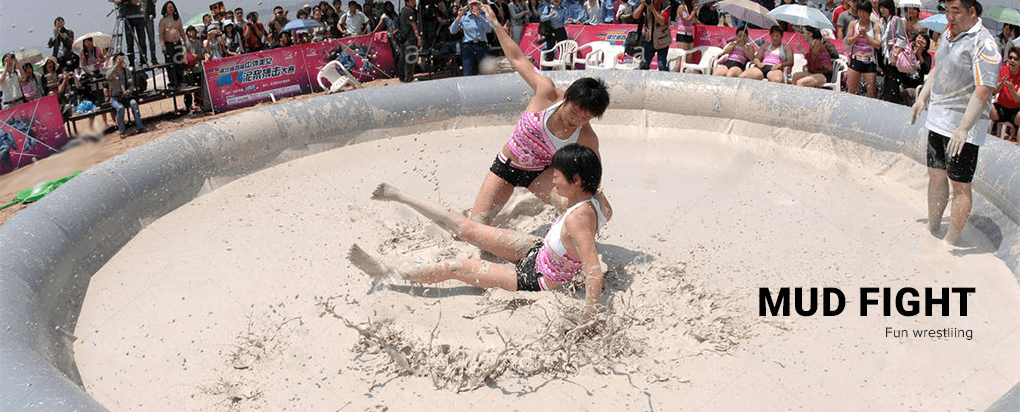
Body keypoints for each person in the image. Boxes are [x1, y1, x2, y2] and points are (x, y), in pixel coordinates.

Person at [348, 144, 610, 314]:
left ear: (576, 180)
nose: (552, 178)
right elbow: (600, 213)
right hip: (539, 250)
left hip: (538, 277)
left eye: (557, 174)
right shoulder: (598, 202)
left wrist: (590, 318)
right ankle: (399, 195)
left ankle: (385, 270)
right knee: (468, 228)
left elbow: (594, 271)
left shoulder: (578, 220)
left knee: (458, 267)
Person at [468, 3, 612, 224]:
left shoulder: (586, 136)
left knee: (577, 209)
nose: (576, 120)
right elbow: (517, 59)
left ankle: (562, 237)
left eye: (585, 118)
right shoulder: (546, 92)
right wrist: (495, 24)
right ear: (567, 98)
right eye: (575, 112)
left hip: (539, 175)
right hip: (507, 165)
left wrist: (597, 197)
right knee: (477, 224)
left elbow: (593, 172)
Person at [909, 0, 999, 246]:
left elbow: (984, 90)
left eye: (955, 11)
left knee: (960, 185)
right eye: (947, 11)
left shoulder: (985, 44)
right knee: (936, 176)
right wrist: (922, 98)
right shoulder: (949, 34)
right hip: (938, 120)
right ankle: (932, 229)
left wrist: (963, 129)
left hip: (962, 129)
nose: (950, 17)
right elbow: (937, 69)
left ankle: (950, 242)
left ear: (972, 11)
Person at [845, 0, 882, 98]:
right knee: (852, 90)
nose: (862, 14)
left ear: (869, 13)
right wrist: (858, 36)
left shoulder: (875, 27)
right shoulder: (853, 24)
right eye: (860, 12)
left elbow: (878, 44)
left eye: (864, 12)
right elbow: (848, 41)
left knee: (871, 92)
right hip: (856, 59)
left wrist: (866, 36)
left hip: (869, 61)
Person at [106, 53, 147, 137]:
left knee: (134, 104)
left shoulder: (126, 71)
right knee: (120, 108)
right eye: (118, 59)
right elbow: (108, 77)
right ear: (114, 61)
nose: (120, 61)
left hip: (126, 96)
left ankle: (140, 127)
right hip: (115, 97)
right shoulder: (111, 71)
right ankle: (122, 131)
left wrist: (129, 90)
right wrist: (116, 66)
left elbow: (131, 84)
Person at [451, 0, 494, 76]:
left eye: (476, 4)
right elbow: (452, 30)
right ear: (468, 5)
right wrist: (458, 17)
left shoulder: (484, 15)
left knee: (485, 72)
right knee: (468, 73)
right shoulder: (465, 16)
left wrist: (480, 17)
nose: (474, 6)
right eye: (472, 4)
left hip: (481, 45)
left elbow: (489, 29)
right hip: (468, 46)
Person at [878, 0, 906, 103]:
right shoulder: (885, 22)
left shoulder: (895, 20)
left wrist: (895, 55)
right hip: (888, 58)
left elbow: (902, 39)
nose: (882, 10)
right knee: (888, 85)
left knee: (893, 86)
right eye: (881, 7)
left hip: (894, 59)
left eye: (884, 7)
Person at [990, 47, 1020, 139]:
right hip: (1001, 108)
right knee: (984, 107)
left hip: (1015, 111)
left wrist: (1012, 90)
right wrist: (1001, 83)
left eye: (1016, 59)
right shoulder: (1003, 70)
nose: (1012, 60)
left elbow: (1018, 98)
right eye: (1010, 57)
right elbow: (994, 92)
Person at [110, 0, 150, 67]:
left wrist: (127, 1)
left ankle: (143, 61)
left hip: (138, 16)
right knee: (129, 42)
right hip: (127, 17)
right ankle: (131, 63)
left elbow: (135, 2)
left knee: (142, 41)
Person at [634, 0, 671, 71]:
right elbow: (635, 16)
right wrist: (642, 5)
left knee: (662, 65)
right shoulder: (645, 5)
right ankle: (643, 78)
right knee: (644, 65)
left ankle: (663, 78)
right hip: (648, 39)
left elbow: (662, 21)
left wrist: (653, 9)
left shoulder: (665, 6)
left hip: (662, 40)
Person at [900, 32, 932, 105]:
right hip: (904, 83)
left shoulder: (927, 56)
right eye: (919, 37)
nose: (921, 40)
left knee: (907, 93)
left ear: (926, 45)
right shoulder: (908, 51)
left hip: (916, 87)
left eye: (923, 39)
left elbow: (926, 70)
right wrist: (912, 55)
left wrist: (919, 55)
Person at [160, 1, 185, 89]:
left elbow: (181, 31)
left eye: (172, 7)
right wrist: (163, 45)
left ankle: (180, 81)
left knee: (179, 62)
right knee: (170, 64)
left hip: (178, 43)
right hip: (168, 45)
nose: (171, 9)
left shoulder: (177, 19)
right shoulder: (163, 21)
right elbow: (161, 34)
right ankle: (173, 82)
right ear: (166, 9)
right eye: (169, 7)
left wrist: (185, 41)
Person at [397, 0, 423, 82]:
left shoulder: (404, 10)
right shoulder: (408, 11)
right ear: (407, 2)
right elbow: (413, 25)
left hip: (405, 39)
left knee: (405, 58)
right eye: (412, 1)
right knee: (410, 58)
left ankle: (403, 77)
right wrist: (419, 38)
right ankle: (408, 78)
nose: (414, 2)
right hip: (410, 38)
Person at [672, 0, 695, 69]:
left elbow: (693, 20)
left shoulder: (689, 8)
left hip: (689, 34)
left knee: (688, 58)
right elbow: (687, 21)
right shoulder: (682, 7)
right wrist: (694, 12)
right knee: (681, 58)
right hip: (682, 34)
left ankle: (685, 73)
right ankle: (677, 73)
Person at [143, 0, 160, 64]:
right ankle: (144, 60)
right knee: (142, 41)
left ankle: (153, 58)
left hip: (148, 16)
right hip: (139, 17)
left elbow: (154, 1)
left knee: (151, 40)